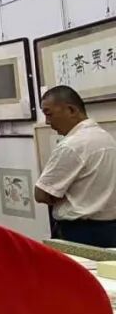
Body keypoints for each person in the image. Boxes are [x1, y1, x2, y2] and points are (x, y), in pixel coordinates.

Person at [34, 85, 116, 247]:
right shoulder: (106, 138)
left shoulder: (71, 145)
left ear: (71, 110)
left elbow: (41, 194)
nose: (48, 122)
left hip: (79, 231)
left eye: (49, 114)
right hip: (109, 229)